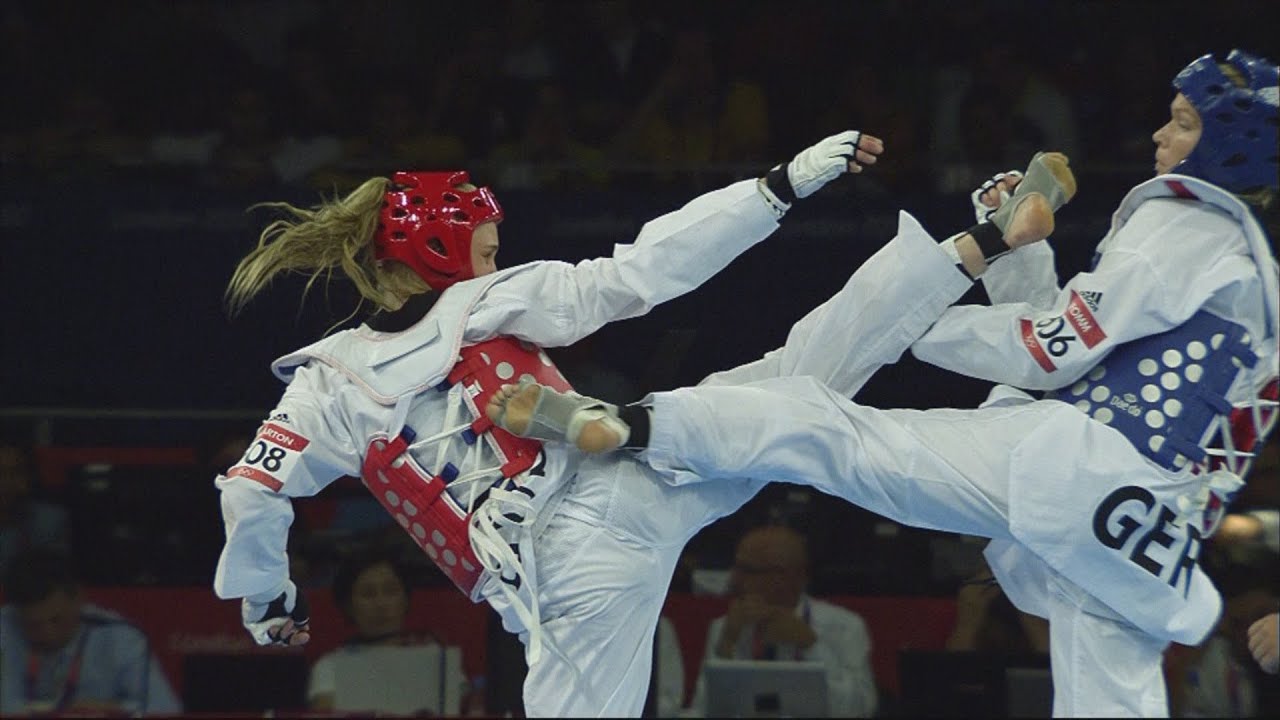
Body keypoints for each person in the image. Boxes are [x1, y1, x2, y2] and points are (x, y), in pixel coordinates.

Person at [489, 49, 1279, 716]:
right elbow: (1073, 352)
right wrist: (1017, 254)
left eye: (1181, 121)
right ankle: (642, 425)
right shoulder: (1250, 274)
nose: (1160, 133)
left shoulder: (1187, 220)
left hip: (1076, 459)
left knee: (820, 425)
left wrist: (922, 303)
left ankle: (635, 425)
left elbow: (1048, 352)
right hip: (1145, 521)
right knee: (1112, 692)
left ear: (1231, 145)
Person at [212, 128, 894, 716]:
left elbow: (249, 489)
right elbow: (639, 273)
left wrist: (265, 596)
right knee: (791, 391)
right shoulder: (488, 302)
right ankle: (946, 261)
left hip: (568, 566)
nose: (495, 262)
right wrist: (777, 188)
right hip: (629, 480)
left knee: (782, 399)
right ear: (439, 255)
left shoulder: (326, 383)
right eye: (485, 250)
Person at [687, 524, 877, 718]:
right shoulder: (726, 626)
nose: (734, 579)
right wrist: (727, 644)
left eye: (747, 570)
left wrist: (811, 646)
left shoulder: (844, 627)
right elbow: (702, 710)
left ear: (784, 577)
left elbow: (859, 708)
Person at [0, 548, 181, 715]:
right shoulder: (5, 629)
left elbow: (165, 708)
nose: (48, 633)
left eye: (57, 619)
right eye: (33, 625)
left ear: (78, 598)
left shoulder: (120, 636)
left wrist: (113, 710)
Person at [307, 547, 438, 712]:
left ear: (405, 599)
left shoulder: (436, 657)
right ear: (348, 605)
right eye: (368, 594)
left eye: (391, 591)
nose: (381, 603)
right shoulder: (329, 667)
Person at [0, 444, 70, 580]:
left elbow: (51, 585)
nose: (5, 483)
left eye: (15, 473)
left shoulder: (51, 521)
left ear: (30, 477)